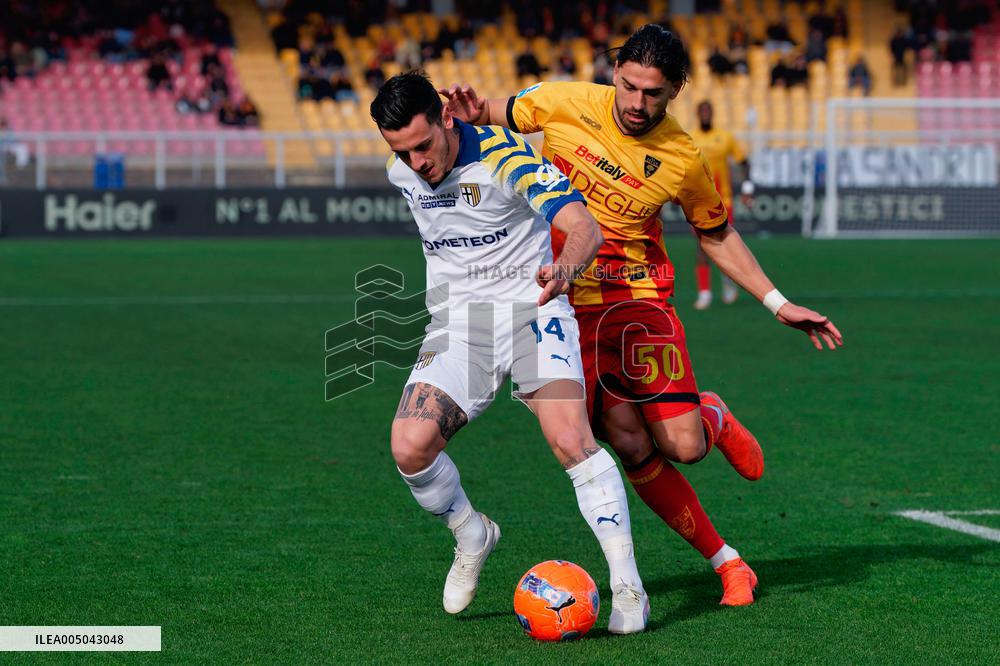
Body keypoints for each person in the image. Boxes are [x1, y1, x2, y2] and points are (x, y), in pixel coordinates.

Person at [440, 23, 843, 606]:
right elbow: (492, 112)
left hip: (637, 300)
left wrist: (777, 303)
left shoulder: (683, 156)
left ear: (675, 90)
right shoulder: (562, 101)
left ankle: (713, 417)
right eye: (627, 86)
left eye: (652, 93)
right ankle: (728, 562)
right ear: (614, 73)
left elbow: (716, 232)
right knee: (627, 443)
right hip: (564, 305)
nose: (636, 103)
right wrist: (471, 110)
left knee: (682, 445)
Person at [371, 71, 650, 633]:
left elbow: (583, 227)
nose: (417, 162)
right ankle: (472, 533)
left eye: (424, 145)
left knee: (571, 439)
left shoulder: (504, 157)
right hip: (460, 324)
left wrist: (564, 269)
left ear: (448, 118)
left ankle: (628, 588)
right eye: (403, 151)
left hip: (533, 309)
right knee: (409, 447)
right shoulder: (400, 169)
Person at [688, 100, 753, 310]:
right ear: (698, 114)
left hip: (723, 201)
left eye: (709, 110)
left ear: (712, 113)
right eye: (702, 111)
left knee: (725, 245)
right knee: (701, 247)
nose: (706, 114)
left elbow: (743, 161)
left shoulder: (725, 137)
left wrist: (747, 188)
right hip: (698, 204)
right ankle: (704, 293)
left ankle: (728, 282)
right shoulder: (690, 138)